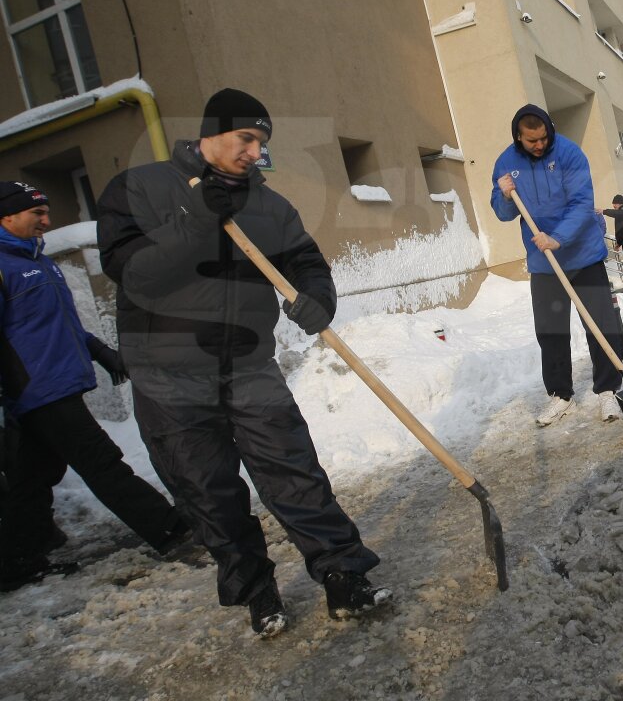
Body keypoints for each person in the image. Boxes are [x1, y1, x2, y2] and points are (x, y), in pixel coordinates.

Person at [96, 88, 390, 637]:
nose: (256, 151)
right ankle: (257, 591)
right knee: (209, 495)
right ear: (211, 132)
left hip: (249, 365)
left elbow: (306, 260)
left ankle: (344, 574)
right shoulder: (140, 189)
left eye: (263, 142)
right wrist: (198, 222)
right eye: (247, 138)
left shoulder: (269, 205)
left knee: (295, 475)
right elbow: (133, 273)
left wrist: (317, 296)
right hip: (168, 377)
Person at [0, 181, 189, 592]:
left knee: (32, 477)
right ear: (7, 216)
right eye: (37, 214)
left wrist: (102, 353)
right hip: (37, 390)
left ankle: (16, 561)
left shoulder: (38, 261)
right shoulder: (3, 266)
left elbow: (62, 324)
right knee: (101, 461)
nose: (47, 222)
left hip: (54, 385)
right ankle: (171, 529)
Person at [492, 104, 623, 427]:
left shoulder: (569, 154)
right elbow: (502, 213)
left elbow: (582, 204)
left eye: (543, 138)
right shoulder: (506, 163)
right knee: (550, 331)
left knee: (599, 323)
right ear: (518, 138)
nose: (539, 145)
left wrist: (558, 238)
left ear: (549, 130)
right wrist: (504, 195)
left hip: (582, 254)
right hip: (543, 263)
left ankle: (608, 389)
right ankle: (560, 395)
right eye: (531, 141)